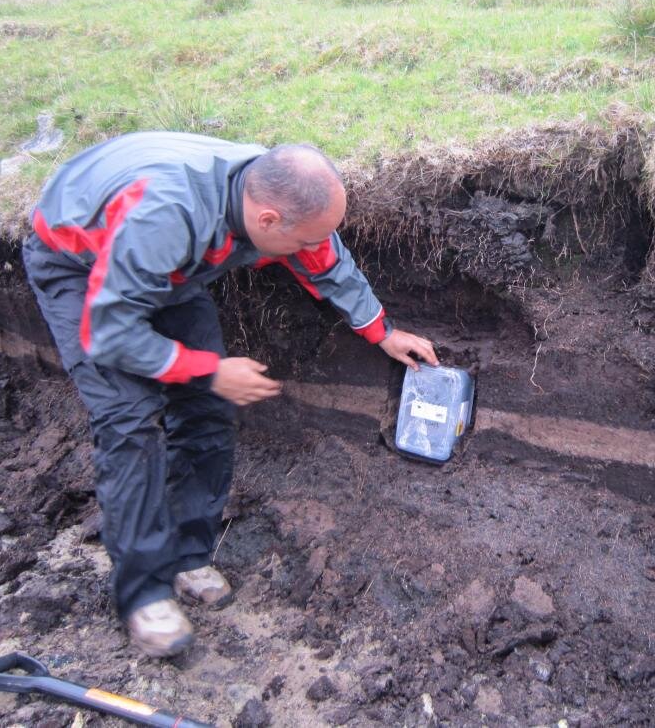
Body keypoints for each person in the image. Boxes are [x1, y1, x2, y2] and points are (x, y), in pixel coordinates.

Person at [22, 132, 438, 657]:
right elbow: (110, 334)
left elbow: (324, 258)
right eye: (303, 240)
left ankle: (188, 554)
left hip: (164, 270)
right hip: (79, 267)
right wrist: (209, 369)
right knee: (130, 421)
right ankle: (144, 594)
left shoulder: (275, 196)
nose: (313, 248)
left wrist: (382, 331)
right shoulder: (169, 217)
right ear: (266, 222)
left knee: (206, 409)